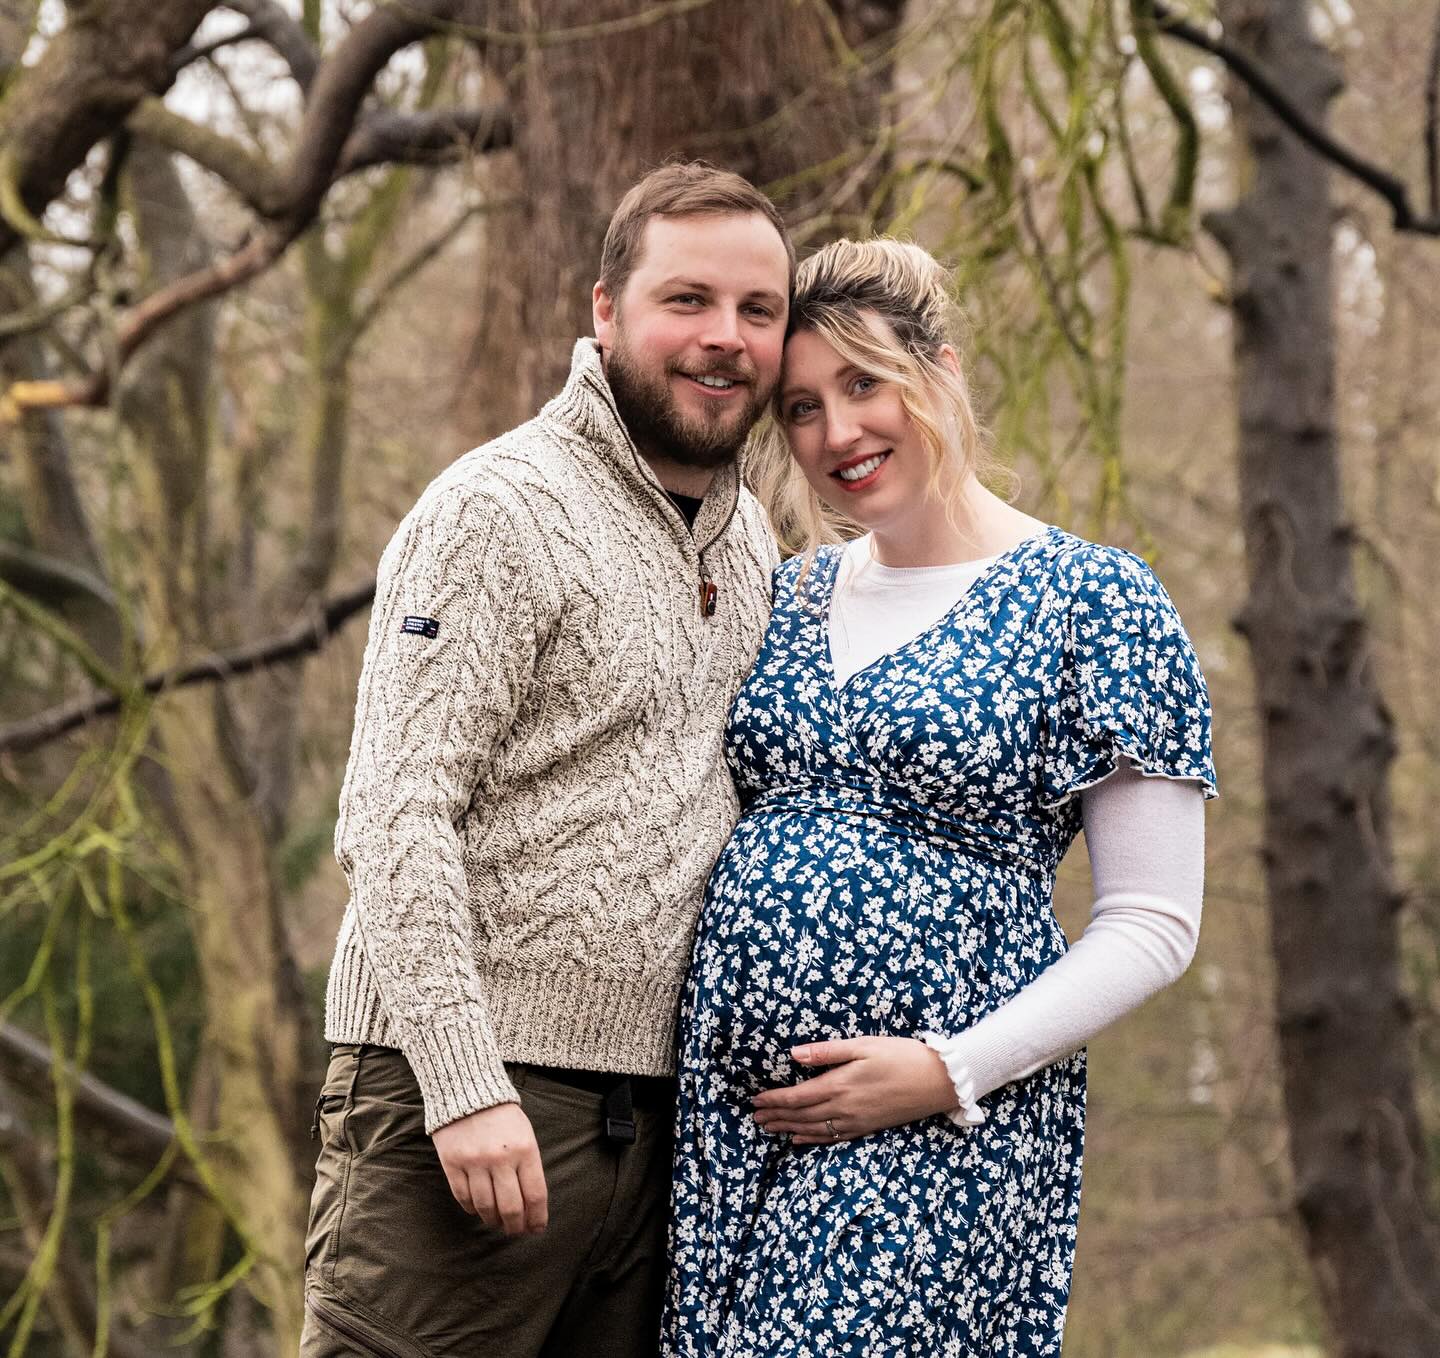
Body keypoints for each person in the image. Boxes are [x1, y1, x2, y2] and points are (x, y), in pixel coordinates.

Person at [662, 238, 1217, 1356]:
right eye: (803, 408)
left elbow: (1154, 922)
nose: (838, 434)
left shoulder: (1092, 598)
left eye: (864, 384)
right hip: (728, 1130)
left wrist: (946, 1070)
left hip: (941, 1128)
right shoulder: (786, 592)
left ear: (942, 372)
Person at [300, 161, 792, 1358]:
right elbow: (396, 811)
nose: (725, 338)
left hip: (659, 1129)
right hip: (460, 1102)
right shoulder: (498, 510)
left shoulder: (754, 538)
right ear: (606, 310)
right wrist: (463, 1082)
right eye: (688, 300)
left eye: (758, 310)